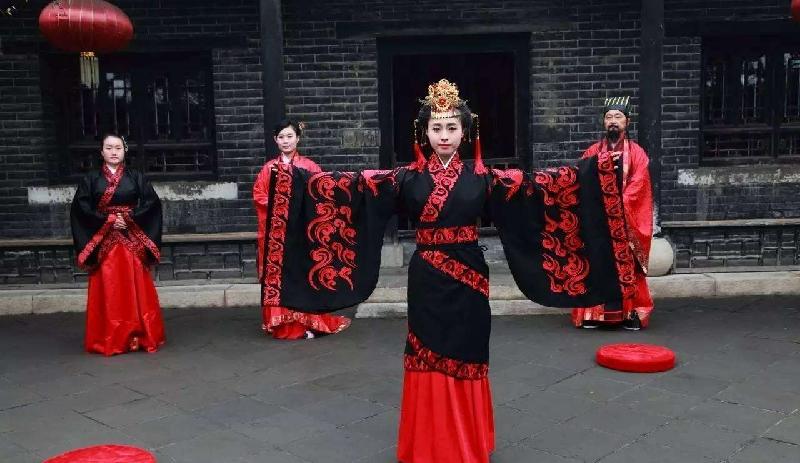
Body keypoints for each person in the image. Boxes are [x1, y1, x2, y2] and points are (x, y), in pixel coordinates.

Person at [259, 80, 636, 463]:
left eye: (452, 127)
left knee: (468, 350)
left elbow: (542, 188)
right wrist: (291, 179)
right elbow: (349, 187)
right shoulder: (404, 178)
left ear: (465, 131)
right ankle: (428, 445)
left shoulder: (484, 177)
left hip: (470, 279)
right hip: (426, 278)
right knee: (424, 353)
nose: (444, 136)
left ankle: (466, 444)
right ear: (423, 132)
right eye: (436, 128)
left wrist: (600, 169)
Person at [253, 120, 351, 340]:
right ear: (275, 140)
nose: (285, 141)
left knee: (303, 277)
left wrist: (297, 207)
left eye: (290, 136)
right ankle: (283, 324)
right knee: (280, 279)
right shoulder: (268, 169)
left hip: (301, 234)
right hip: (277, 236)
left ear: (298, 138)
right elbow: (259, 196)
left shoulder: (310, 167)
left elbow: (322, 196)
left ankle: (308, 323)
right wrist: (280, 207)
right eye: (281, 137)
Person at [70, 134, 164, 356]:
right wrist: (108, 220)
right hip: (104, 239)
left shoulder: (136, 176)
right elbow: (81, 208)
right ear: (101, 152)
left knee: (136, 285)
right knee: (109, 287)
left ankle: (139, 335)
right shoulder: (91, 179)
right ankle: (110, 336)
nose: (114, 152)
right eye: (109, 148)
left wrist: (129, 218)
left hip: (131, 236)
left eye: (118, 148)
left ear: (124, 151)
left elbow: (152, 203)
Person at [571, 96, 655, 330]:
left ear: (627, 122)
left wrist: (618, 204)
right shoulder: (592, 151)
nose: (613, 121)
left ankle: (631, 314)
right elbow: (580, 178)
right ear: (603, 122)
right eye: (609, 117)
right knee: (596, 265)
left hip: (624, 221)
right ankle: (592, 314)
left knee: (627, 268)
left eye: (618, 117)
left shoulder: (637, 153)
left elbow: (640, 184)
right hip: (598, 220)